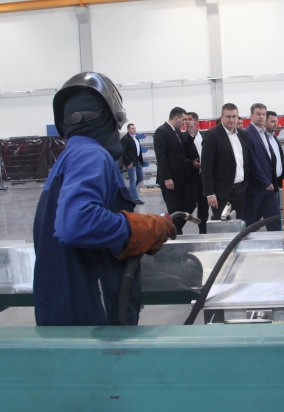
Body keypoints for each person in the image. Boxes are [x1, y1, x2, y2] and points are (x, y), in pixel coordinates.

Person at [33, 72, 176, 326]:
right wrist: (139, 228)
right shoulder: (92, 155)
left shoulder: (66, 159)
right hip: (93, 320)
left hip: (60, 313)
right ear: (111, 118)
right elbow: (76, 223)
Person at [201, 103, 249, 219]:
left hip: (240, 190)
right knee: (224, 226)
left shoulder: (242, 135)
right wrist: (210, 193)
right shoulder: (212, 135)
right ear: (222, 117)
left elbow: (245, 161)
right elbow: (206, 167)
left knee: (239, 223)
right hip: (221, 193)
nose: (231, 120)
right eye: (228, 116)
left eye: (234, 116)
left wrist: (245, 184)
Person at [242, 104, 281, 231]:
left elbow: (270, 159)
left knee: (275, 220)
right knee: (249, 223)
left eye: (263, 114)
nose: (261, 117)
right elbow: (253, 163)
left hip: (269, 188)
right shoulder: (247, 134)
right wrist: (265, 182)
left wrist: (273, 182)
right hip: (256, 188)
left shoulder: (265, 133)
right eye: (258, 114)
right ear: (251, 116)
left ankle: (277, 242)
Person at [154, 107, 191, 234]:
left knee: (187, 206)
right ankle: (176, 234)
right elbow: (161, 157)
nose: (185, 122)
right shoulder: (161, 131)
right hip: (170, 179)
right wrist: (167, 178)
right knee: (174, 209)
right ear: (176, 118)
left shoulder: (177, 131)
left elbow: (182, 151)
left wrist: (191, 134)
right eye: (183, 119)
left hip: (181, 178)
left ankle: (173, 229)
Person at [182, 112, 209, 234]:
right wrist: (191, 164)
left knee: (204, 207)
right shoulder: (183, 137)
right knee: (190, 205)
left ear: (197, 121)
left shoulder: (205, 135)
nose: (188, 121)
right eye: (186, 119)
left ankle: (203, 232)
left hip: (204, 177)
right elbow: (181, 156)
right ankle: (177, 226)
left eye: (190, 119)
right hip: (191, 178)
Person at [121, 123, 145, 205]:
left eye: (134, 128)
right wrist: (128, 162)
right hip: (130, 162)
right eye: (132, 128)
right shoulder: (125, 139)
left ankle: (127, 192)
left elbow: (138, 150)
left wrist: (141, 161)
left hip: (137, 161)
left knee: (140, 177)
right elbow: (123, 152)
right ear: (128, 129)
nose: (134, 130)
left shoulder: (136, 138)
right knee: (133, 179)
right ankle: (135, 198)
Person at [265, 110, 284, 188]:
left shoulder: (274, 136)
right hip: (269, 181)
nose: (275, 124)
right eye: (272, 121)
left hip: (279, 179)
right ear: (265, 122)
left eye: (276, 121)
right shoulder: (262, 139)